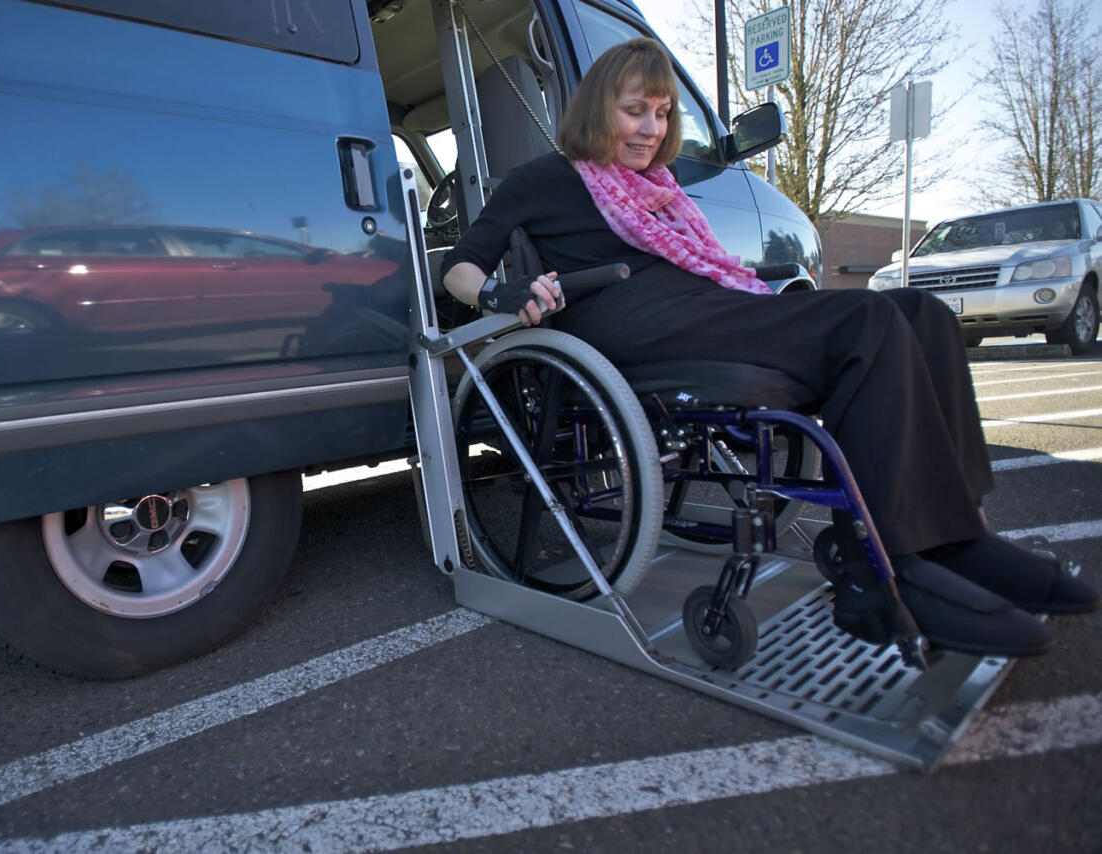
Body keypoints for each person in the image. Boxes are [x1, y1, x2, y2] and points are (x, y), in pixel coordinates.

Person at [441, 37, 1098, 658]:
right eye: (633, 110)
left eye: (662, 113)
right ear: (596, 108)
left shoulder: (663, 191)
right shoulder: (542, 180)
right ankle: (891, 566)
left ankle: (961, 537)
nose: (650, 127)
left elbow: (705, 267)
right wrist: (503, 296)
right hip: (630, 324)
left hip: (704, 308)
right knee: (865, 323)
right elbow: (460, 269)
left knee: (918, 312)